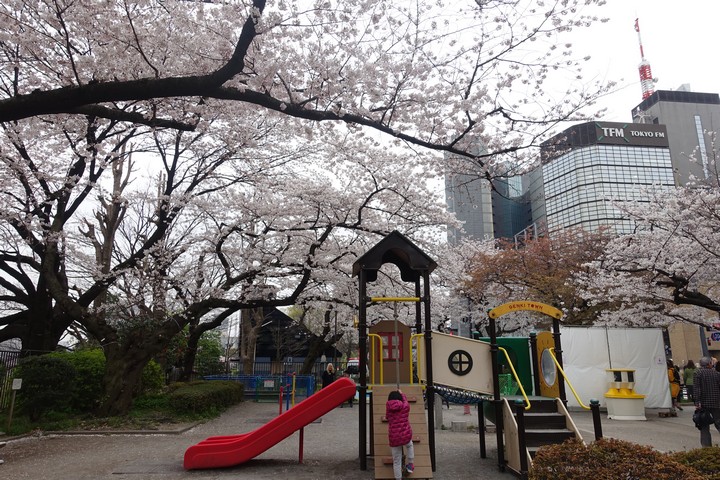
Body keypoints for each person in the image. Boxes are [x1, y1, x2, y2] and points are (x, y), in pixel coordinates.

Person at [386, 389, 415, 479]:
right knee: (409, 445)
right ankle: (410, 464)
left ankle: (398, 478)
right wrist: (402, 394)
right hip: (405, 435)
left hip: (394, 437)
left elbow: (387, 417)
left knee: (396, 461)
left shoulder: (389, 408)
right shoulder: (405, 406)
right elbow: (406, 401)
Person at [693, 356, 720, 447]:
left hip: (703, 403)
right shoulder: (716, 374)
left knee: (704, 426)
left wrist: (697, 402)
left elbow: (697, 389)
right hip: (716, 402)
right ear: (709, 364)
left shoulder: (698, 373)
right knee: (718, 422)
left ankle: (707, 447)